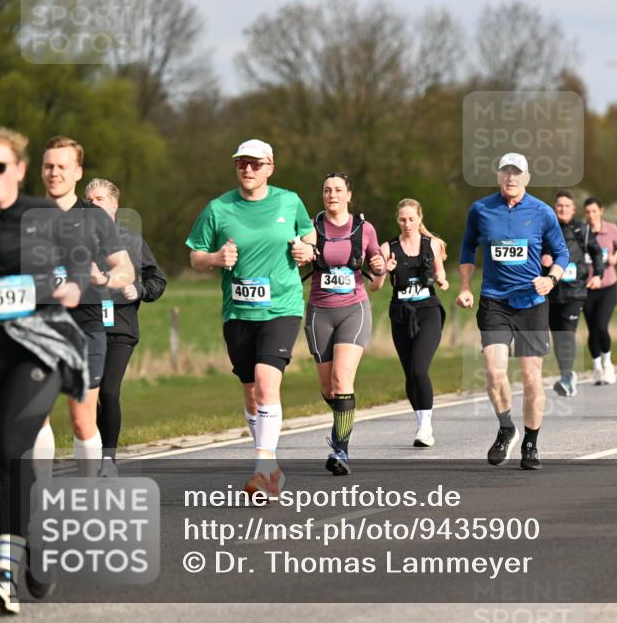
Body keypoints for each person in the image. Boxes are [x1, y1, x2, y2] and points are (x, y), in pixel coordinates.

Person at [0, 127, 91, 614]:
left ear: (19, 170)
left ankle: (4, 571)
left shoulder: (44, 216)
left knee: (13, 448)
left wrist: (71, 286)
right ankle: (37, 544)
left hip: (38, 350)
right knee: (9, 456)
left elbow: (76, 266)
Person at [186, 139, 315, 495]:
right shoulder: (218, 207)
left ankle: (261, 469)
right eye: (242, 163)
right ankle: (271, 467)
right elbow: (195, 254)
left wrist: (309, 249)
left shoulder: (289, 201)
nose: (248, 169)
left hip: (282, 307)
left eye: (256, 164)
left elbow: (309, 233)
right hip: (238, 310)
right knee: (250, 393)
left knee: (265, 381)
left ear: (270, 167)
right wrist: (214, 259)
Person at [457, 152, 569, 471]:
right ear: (498, 176)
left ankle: (531, 443)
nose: (511, 177)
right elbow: (467, 248)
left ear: (527, 178)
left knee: (532, 378)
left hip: (531, 304)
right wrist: (465, 286)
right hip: (494, 301)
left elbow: (561, 253)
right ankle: (507, 427)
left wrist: (551, 279)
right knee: (494, 371)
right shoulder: (480, 209)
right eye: (506, 171)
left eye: (516, 172)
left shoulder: (543, 212)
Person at [37, 136, 135, 476]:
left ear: (77, 171)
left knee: (81, 419)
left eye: (62, 166)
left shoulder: (95, 218)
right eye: (49, 166)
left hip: (86, 327)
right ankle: (38, 499)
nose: (54, 173)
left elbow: (125, 270)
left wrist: (104, 278)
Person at [304, 172, 386, 475]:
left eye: (338, 190)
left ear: (349, 195)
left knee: (341, 380)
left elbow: (377, 265)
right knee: (328, 388)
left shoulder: (364, 229)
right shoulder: (311, 228)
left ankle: (341, 451)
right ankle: (345, 416)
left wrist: (378, 266)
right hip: (319, 312)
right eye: (327, 190)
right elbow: (298, 258)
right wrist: (300, 253)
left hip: (354, 309)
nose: (332, 195)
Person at [85, 178, 167, 476]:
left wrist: (139, 291)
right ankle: (91, 456)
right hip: (85, 326)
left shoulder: (132, 241)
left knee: (108, 391)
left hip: (121, 327)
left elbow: (158, 281)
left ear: (114, 205)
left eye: (100, 199)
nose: (93, 205)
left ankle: (108, 460)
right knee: (87, 395)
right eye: (89, 200)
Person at [371, 198, 448, 447]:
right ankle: (420, 422)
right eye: (403, 219)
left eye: (411, 219)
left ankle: (426, 428)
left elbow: (440, 272)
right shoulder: (387, 247)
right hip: (401, 313)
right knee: (409, 373)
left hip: (428, 310)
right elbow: (374, 286)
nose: (407, 224)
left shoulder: (432, 245)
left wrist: (443, 281)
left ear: (419, 218)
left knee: (419, 368)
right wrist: (385, 269)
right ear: (397, 220)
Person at [541, 190, 604, 397]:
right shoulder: (545, 229)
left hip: (576, 291)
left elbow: (596, 252)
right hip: (551, 291)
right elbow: (533, 253)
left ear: (573, 209)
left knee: (567, 333)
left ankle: (566, 377)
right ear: (554, 208)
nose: (563, 209)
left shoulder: (582, 230)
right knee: (558, 336)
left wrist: (598, 275)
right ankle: (567, 375)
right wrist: (543, 259)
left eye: (567, 206)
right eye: (559, 205)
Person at [583, 197, 617, 385]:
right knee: (592, 329)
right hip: (587, 287)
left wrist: (615, 256)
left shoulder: (611, 229)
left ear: (601, 211)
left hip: (608, 286)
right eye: (588, 212)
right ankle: (596, 367)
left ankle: (608, 364)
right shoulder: (581, 232)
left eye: (594, 211)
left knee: (601, 325)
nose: (591, 215)